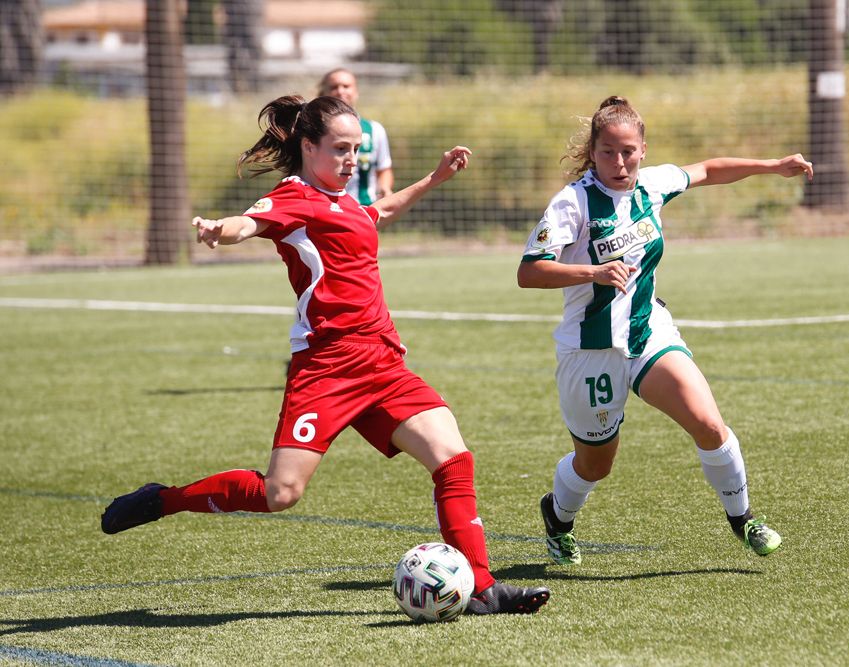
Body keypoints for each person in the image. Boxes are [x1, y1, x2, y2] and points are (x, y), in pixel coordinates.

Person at [101, 94, 550, 616]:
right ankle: (165, 498)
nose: (350, 160)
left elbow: (374, 212)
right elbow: (249, 222)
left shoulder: (344, 200)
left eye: (356, 150)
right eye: (339, 149)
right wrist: (217, 231)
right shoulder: (292, 197)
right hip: (328, 368)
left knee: (453, 458)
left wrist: (434, 179)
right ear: (308, 146)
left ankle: (481, 586)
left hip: (383, 362)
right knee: (280, 493)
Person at [517, 96, 813, 565]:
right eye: (609, 152)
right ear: (592, 152)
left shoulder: (651, 186)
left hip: (647, 330)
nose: (620, 162)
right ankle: (558, 517)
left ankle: (744, 520)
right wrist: (592, 274)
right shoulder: (572, 203)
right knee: (596, 465)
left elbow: (710, 169)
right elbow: (529, 271)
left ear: (643, 150)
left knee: (709, 423)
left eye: (629, 151)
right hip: (590, 349)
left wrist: (772, 166)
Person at [318, 68, 393, 205]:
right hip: (323, 209)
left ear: (356, 92)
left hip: (364, 209)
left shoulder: (374, 130)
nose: (341, 91)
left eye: (346, 86)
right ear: (323, 93)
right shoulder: (313, 129)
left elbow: (384, 169)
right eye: (334, 87)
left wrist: (385, 189)